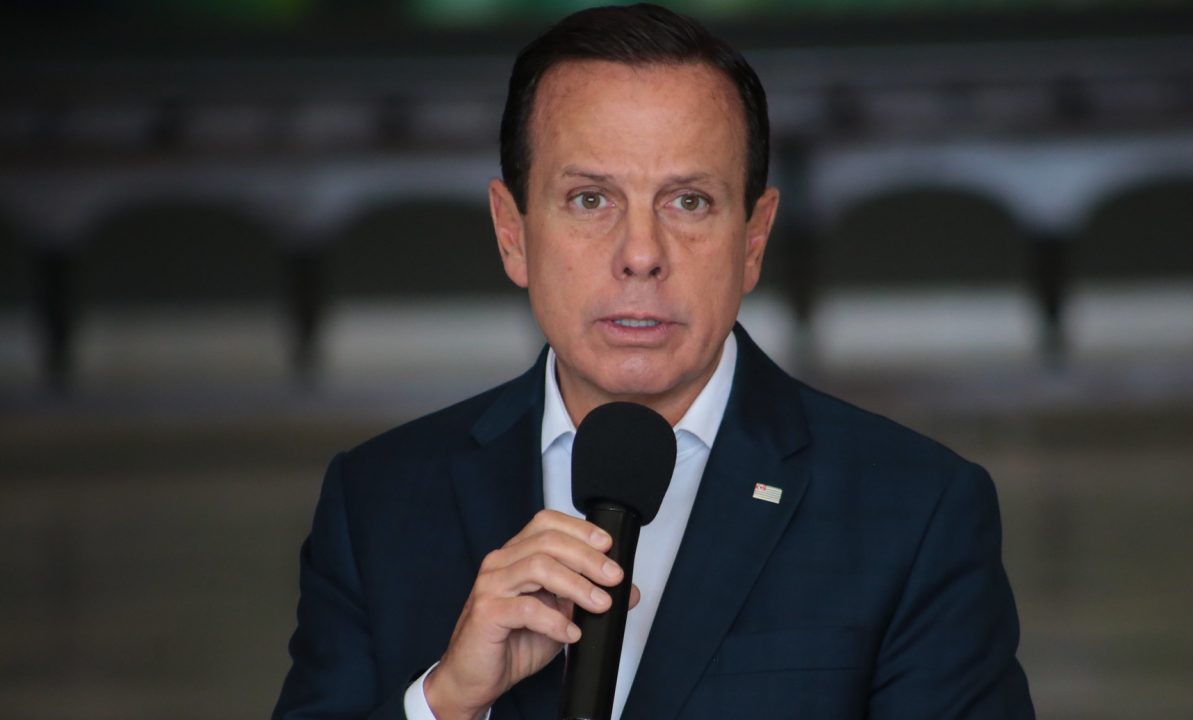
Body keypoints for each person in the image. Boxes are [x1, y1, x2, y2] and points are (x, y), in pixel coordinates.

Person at [273, 4, 1035, 719]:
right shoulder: (374, 501)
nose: (641, 255)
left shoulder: (918, 511)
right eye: (590, 200)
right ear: (512, 233)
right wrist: (444, 703)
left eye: (689, 202)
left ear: (754, 237)